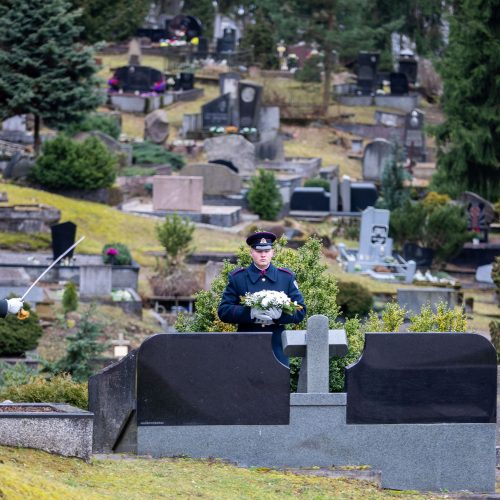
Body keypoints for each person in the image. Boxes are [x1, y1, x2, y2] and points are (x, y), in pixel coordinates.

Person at [218, 231, 306, 366]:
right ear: (251, 252)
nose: (263, 254)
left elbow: (300, 310)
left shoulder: (286, 277)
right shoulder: (238, 278)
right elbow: (224, 311)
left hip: (276, 343)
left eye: (267, 250)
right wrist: (250, 313)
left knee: (277, 383)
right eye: (258, 251)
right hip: (247, 343)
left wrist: (281, 315)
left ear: (273, 252)